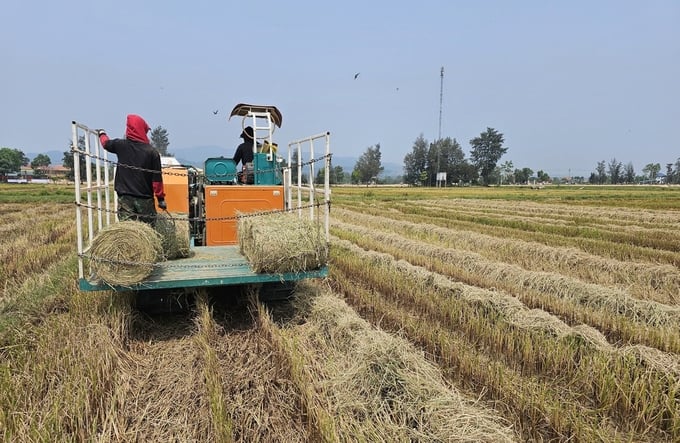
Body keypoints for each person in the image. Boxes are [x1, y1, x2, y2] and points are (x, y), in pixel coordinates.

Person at [97, 114, 166, 224]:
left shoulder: (120, 145)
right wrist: (161, 199)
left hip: (125, 196)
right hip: (145, 198)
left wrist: (102, 133)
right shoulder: (152, 152)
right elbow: (157, 180)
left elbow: (105, 143)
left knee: (127, 229)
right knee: (148, 229)